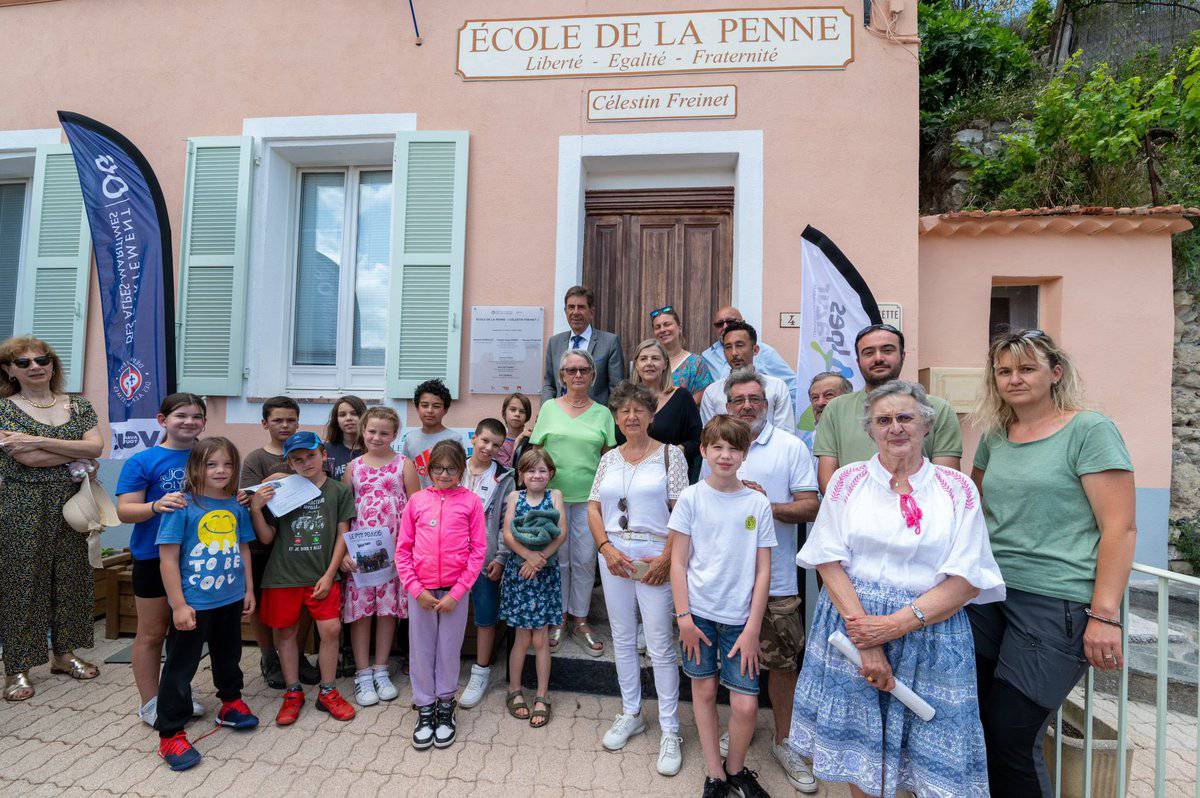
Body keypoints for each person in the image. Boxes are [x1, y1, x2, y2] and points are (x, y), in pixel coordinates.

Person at [789, 380, 1005, 798]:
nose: (895, 428)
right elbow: (828, 560)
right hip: (852, 628)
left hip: (931, 633)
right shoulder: (847, 481)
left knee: (925, 763)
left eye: (905, 417)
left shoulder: (956, 489)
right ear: (870, 430)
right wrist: (867, 639)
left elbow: (967, 580)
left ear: (926, 425)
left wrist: (892, 627)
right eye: (883, 420)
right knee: (861, 756)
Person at [968, 330, 1136, 797]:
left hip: (1055, 603)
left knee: (1013, 735)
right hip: (989, 596)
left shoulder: (1090, 430)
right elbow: (974, 507)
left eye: (1027, 368)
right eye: (1005, 371)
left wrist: (1104, 615)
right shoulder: (996, 436)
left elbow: (1120, 529)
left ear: (1055, 373)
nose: (1014, 378)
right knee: (976, 721)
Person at [703, 369, 820, 793]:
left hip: (778, 582)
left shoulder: (789, 447)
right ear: (727, 405)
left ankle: (784, 740)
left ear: (767, 404)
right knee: (724, 661)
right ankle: (739, 729)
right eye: (739, 400)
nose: (747, 406)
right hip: (723, 582)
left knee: (782, 663)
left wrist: (761, 503)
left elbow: (810, 508)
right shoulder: (716, 448)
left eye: (755, 399)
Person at [670, 415, 776, 798]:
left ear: (744, 454)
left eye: (734, 448)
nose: (725, 455)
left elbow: (763, 570)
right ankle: (715, 773)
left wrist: (752, 628)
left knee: (746, 705)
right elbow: (678, 562)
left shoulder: (756, 503)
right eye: (717, 447)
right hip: (697, 616)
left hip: (740, 620)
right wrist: (683, 618)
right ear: (703, 450)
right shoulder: (691, 498)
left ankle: (736, 770)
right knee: (704, 690)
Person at [588, 381, 687, 776]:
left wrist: (666, 558)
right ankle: (631, 712)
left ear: (650, 415)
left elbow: (682, 513)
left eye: (638, 410)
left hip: (653, 553)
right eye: (623, 411)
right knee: (623, 638)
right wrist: (605, 548)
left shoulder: (670, 456)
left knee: (661, 644)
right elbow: (594, 508)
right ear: (616, 418)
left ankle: (670, 728)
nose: (631, 416)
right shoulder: (609, 459)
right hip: (614, 554)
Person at [0, 336, 105, 702]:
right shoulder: (3, 409)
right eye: (23, 362)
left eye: (41, 359)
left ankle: (64, 654)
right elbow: (25, 460)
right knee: (22, 583)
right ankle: (17, 668)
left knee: (72, 577)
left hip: (74, 500)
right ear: (9, 370)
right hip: (22, 503)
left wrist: (35, 440)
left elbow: (96, 447)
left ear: (52, 363)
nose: (35, 367)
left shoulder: (78, 404)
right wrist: (72, 452)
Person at [154, 437, 259, 771]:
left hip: (229, 598)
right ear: (195, 467)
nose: (221, 471)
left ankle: (230, 702)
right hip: (194, 603)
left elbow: (243, 549)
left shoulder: (236, 506)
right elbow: (168, 560)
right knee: (180, 666)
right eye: (212, 464)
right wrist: (179, 605)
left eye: (227, 464)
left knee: (229, 655)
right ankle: (170, 732)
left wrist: (248, 589)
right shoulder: (181, 506)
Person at [249, 431, 357, 725]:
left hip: (321, 576)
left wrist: (331, 572)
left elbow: (343, 533)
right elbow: (267, 538)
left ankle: (328, 690)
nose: (305, 463)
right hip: (283, 576)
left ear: (323, 454)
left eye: (310, 456)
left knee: (331, 630)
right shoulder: (280, 490)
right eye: (296, 459)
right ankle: (293, 691)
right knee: (285, 633)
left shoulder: (337, 491)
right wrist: (257, 509)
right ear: (290, 463)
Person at [116, 393, 210, 727]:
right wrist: (155, 506)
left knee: (187, 634)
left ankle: (177, 693)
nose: (189, 422)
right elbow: (125, 511)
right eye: (181, 415)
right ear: (162, 420)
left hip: (198, 559)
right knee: (152, 634)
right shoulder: (142, 461)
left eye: (197, 417)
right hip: (152, 558)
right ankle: (150, 702)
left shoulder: (210, 457)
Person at [396, 440, 486, 750]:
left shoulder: (471, 502)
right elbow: (403, 550)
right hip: (420, 592)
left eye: (450, 469)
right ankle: (424, 707)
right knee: (421, 650)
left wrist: (458, 592)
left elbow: (478, 552)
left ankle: (446, 705)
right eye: (437, 468)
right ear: (429, 469)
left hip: (454, 595)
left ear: (461, 470)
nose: (443, 474)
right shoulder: (417, 501)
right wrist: (415, 589)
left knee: (449, 649)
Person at [529, 348, 617, 655]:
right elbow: (534, 454)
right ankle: (559, 617)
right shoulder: (550, 409)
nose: (577, 375)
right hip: (552, 499)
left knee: (583, 560)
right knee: (558, 560)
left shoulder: (603, 413)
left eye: (583, 370)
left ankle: (580, 619)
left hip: (590, 502)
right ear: (562, 376)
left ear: (593, 376)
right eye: (571, 370)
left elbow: (610, 458)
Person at [814, 324, 962, 493]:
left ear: (903, 356)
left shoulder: (938, 409)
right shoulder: (836, 409)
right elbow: (829, 483)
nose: (878, 358)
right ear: (858, 361)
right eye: (869, 353)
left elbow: (947, 483)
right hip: (855, 514)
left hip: (919, 514)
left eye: (887, 350)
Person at [239, 395, 319, 689]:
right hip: (264, 544)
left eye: (290, 420)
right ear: (265, 423)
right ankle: (268, 656)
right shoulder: (256, 459)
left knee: (304, 603)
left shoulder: (306, 453)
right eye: (277, 420)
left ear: (298, 422)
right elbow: (249, 498)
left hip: (301, 540)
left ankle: (297, 655)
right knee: (261, 605)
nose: (285, 425)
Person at [341, 406, 419, 708]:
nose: (377, 437)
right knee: (362, 613)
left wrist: (407, 550)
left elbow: (414, 509)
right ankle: (362, 673)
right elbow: (345, 513)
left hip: (394, 555)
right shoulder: (354, 467)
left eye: (384, 433)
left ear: (394, 435)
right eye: (372, 431)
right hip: (360, 554)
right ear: (363, 431)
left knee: (387, 611)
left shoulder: (404, 465)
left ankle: (381, 668)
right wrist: (344, 552)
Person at [500, 447, 567, 729]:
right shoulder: (515, 497)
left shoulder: (555, 496)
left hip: (543, 574)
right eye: (530, 470)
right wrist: (527, 557)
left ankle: (541, 695)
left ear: (550, 473)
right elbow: (507, 533)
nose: (536, 475)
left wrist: (539, 560)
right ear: (521, 475)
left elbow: (561, 533)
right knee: (521, 639)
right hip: (520, 575)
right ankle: (514, 690)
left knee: (541, 639)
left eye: (542, 470)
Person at [459, 417, 516, 710]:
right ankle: (445, 665)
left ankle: (481, 672)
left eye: (495, 444)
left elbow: (508, 520)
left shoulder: (505, 478)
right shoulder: (455, 469)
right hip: (451, 557)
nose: (488, 448)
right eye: (484, 441)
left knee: (485, 615)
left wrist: (501, 557)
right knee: (450, 612)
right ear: (474, 438)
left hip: (485, 558)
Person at [626, 339, 703, 483]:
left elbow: (698, 440)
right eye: (643, 359)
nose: (649, 363)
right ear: (636, 365)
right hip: (632, 479)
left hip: (671, 480)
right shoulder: (625, 399)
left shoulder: (682, 397)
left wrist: (678, 450)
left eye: (655, 358)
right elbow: (618, 440)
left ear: (665, 364)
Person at [700, 321, 795, 431]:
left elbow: (785, 433)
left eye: (739, 345)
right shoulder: (712, 392)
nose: (734, 353)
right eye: (728, 347)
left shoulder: (777, 387)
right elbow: (710, 437)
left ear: (755, 350)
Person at [541, 285, 625, 405]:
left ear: (591, 312)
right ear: (565, 311)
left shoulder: (610, 342)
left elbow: (617, 389)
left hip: (594, 418)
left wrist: (609, 419)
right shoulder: (555, 343)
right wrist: (547, 411)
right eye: (571, 307)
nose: (575, 312)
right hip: (560, 417)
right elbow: (549, 385)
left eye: (581, 307)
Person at [701, 306, 798, 400]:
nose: (725, 326)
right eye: (719, 324)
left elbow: (792, 386)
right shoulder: (707, 357)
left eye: (730, 321)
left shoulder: (765, 352)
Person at [401, 378, 460, 489]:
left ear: (445, 410)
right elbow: (404, 471)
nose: (430, 410)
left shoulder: (454, 439)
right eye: (424, 405)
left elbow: (458, 472)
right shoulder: (410, 438)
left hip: (445, 498)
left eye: (436, 406)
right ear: (417, 408)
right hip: (417, 499)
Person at [651, 305, 713, 403]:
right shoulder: (649, 364)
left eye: (667, 324)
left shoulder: (696, 363)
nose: (662, 330)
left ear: (679, 328)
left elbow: (700, 400)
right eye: (657, 327)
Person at [323, 395, 366, 481]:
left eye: (354, 414)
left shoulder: (374, 448)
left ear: (364, 416)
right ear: (336, 420)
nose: (348, 418)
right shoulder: (326, 450)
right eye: (342, 415)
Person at [495, 392, 531, 468]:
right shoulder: (499, 443)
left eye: (522, 411)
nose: (517, 414)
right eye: (513, 410)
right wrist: (517, 441)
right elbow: (509, 471)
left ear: (527, 416)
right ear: (503, 414)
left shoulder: (531, 438)